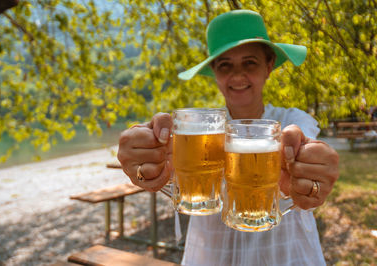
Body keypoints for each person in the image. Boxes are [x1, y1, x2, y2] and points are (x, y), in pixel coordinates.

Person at [117, 10, 339, 266]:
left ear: (268, 67)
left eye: (250, 63)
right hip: (213, 255)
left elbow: (307, 144)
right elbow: (164, 164)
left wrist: (313, 168)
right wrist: (146, 159)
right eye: (225, 65)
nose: (237, 75)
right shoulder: (200, 129)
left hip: (287, 255)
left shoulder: (291, 121)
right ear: (215, 73)